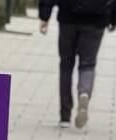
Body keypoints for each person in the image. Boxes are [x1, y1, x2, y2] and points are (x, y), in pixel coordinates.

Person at [40, 0, 116, 128]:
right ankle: (84, 93)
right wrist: (113, 18)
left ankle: (65, 116)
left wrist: (44, 15)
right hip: (97, 18)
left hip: (68, 16)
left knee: (66, 64)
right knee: (88, 63)